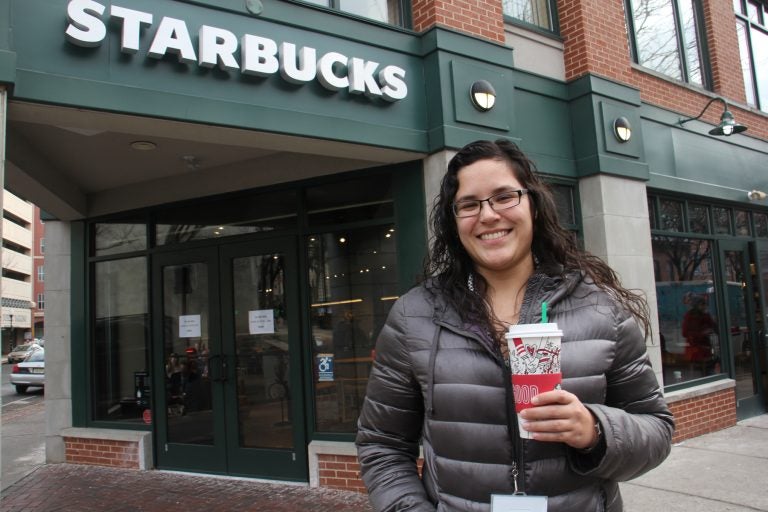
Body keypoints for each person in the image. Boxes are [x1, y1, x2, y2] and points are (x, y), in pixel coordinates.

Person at [356, 139, 674, 511]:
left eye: (505, 196)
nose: (488, 215)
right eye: (469, 204)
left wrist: (595, 430)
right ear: (453, 220)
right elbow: (382, 444)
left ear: (533, 205)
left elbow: (656, 429)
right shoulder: (415, 315)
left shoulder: (600, 307)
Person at [681, 293, 718, 373]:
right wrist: (702, 333)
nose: (704, 307)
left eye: (705, 304)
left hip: (706, 350)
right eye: (702, 304)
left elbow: (715, 327)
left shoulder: (706, 316)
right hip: (695, 351)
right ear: (696, 305)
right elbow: (685, 333)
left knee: (709, 370)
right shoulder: (689, 317)